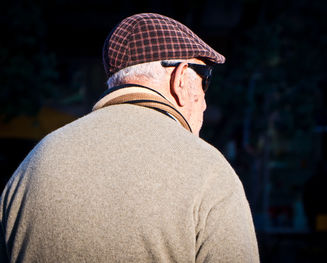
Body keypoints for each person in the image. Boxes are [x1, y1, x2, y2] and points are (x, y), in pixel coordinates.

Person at [0, 13, 259, 262]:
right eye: (205, 79)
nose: (204, 101)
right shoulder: (208, 170)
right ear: (180, 78)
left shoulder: (37, 160)